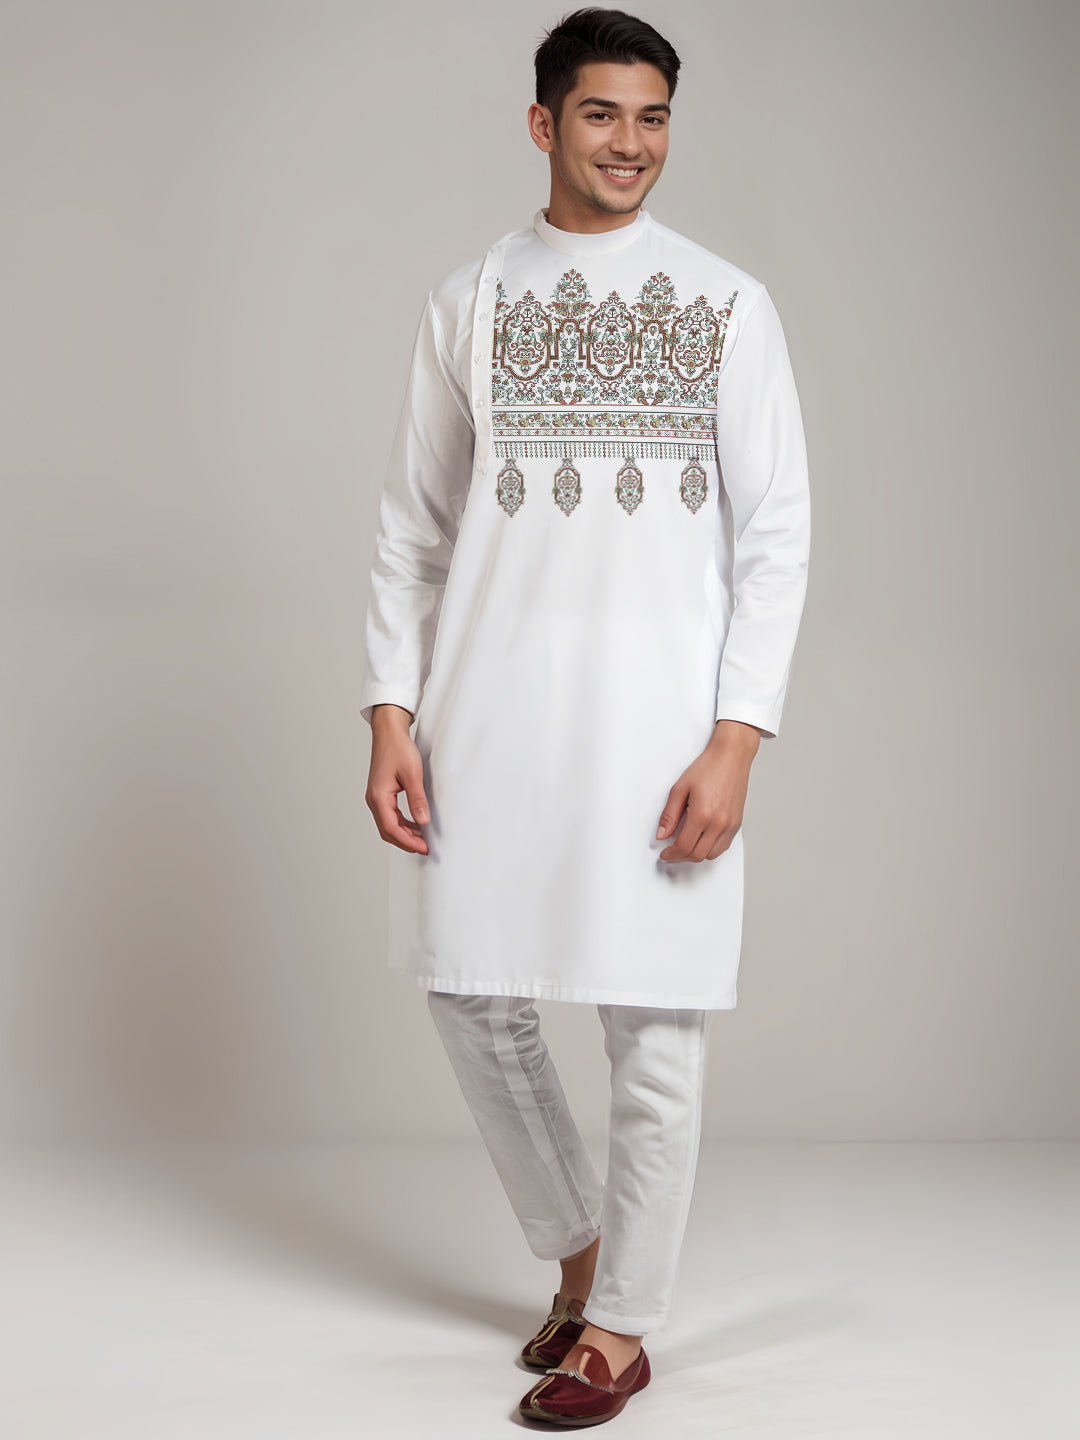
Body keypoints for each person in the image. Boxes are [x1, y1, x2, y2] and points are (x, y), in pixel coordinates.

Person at [359, 6, 811, 1425]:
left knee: (654, 1023)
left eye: (654, 116)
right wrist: (390, 708)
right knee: (468, 984)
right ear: (544, 123)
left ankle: (622, 1324)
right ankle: (578, 1255)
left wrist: (737, 737)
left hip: (664, 725)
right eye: (603, 113)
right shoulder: (470, 302)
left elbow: (777, 535)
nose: (631, 143)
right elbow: (412, 528)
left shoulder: (725, 305)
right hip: (490, 708)